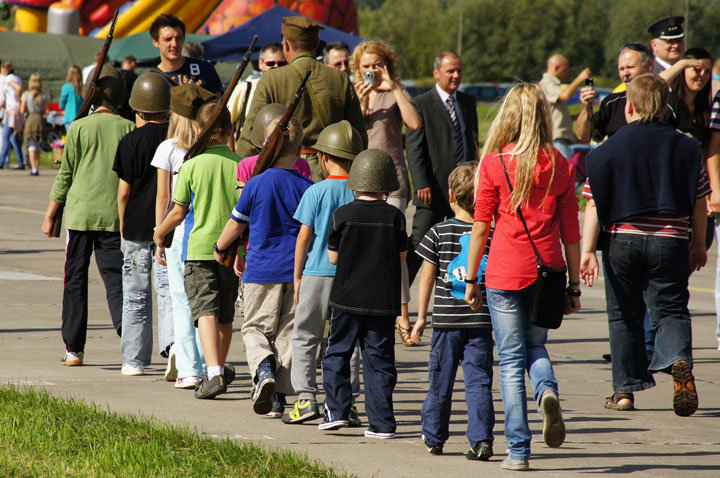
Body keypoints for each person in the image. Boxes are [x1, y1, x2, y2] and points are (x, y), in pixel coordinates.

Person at [464, 84, 581, 471]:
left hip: (503, 273)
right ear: (544, 116)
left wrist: (470, 278)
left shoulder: (495, 163)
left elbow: (480, 227)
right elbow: (571, 231)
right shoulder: (560, 165)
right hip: (547, 272)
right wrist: (574, 284)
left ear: (509, 115)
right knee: (536, 348)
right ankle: (546, 391)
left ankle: (518, 452)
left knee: (511, 361)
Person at [580, 73, 707, 416]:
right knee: (672, 309)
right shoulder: (688, 148)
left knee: (623, 315)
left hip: (622, 239)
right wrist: (699, 243)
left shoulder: (607, 150)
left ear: (629, 107)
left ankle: (624, 392)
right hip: (671, 240)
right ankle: (678, 358)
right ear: (667, 107)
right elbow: (699, 202)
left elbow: (592, 203)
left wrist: (588, 251)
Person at [214, 116, 312, 416]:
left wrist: (219, 248)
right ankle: (280, 397)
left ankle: (263, 368)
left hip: (260, 270)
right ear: (300, 150)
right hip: (296, 273)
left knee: (255, 328)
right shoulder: (307, 186)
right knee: (287, 333)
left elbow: (235, 224)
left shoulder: (255, 184)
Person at [41, 64, 134, 367]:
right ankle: (129, 341)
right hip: (114, 216)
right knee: (116, 280)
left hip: (80, 215)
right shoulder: (128, 127)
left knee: (75, 281)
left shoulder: (78, 127)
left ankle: (73, 349)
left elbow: (65, 175)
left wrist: (51, 212)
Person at [153, 102, 240, 399]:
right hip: (230, 251)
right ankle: (220, 365)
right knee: (226, 313)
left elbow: (178, 213)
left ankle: (213, 372)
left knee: (205, 310)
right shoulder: (241, 165)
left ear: (199, 131)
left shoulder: (190, 165)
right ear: (230, 130)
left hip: (199, 249)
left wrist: (159, 233)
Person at [320, 149, 406, 439]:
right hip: (382, 302)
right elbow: (402, 256)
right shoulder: (395, 217)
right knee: (379, 360)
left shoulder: (343, 214)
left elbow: (333, 258)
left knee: (337, 354)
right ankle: (382, 423)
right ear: (386, 185)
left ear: (354, 182)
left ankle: (337, 411)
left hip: (346, 299)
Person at [412, 161, 495, 461]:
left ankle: (434, 436)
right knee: (479, 382)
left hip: (445, 322)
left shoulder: (438, 231)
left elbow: (427, 277)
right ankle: (482, 439)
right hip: (481, 321)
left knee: (440, 379)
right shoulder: (490, 233)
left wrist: (421, 317)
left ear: (450, 195)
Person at [282, 120, 363, 425]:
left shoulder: (315, 191)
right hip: (350, 277)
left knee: (305, 335)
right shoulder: (359, 192)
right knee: (347, 339)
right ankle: (348, 402)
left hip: (316, 273)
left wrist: (297, 275)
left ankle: (305, 399)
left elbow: (303, 237)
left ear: (325, 158)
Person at [350, 39, 422, 345]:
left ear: (387, 65)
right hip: (361, 179)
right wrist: (360, 102)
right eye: (365, 66)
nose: (371, 71)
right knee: (363, 247)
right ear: (357, 68)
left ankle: (402, 314)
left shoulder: (396, 92)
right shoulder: (354, 92)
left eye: (376, 65)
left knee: (396, 250)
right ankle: (364, 309)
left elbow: (415, 124)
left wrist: (392, 87)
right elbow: (349, 130)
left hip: (393, 178)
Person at [236, 16, 367, 182]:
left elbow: (251, 134)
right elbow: (358, 135)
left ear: (286, 45)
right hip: (332, 172)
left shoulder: (272, 79)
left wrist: (242, 177)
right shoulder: (340, 78)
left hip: (285, 172)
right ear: (317, 42)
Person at [153, 83, 216, 390]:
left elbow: (163, 199)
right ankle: (208, 365)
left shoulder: (168, 149)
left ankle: (189, 370)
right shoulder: (212, 148)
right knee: (208, 305)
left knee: (181, 301)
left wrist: (159, 236)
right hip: (213, 229)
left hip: (182, 233)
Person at [112, 72, 172, 377]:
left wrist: (123, 230)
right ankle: (173, 349)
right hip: (168, 227)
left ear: (138, 109)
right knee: (167, 291)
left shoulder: (129, 141)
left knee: (136, 293)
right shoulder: (177, 140)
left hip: (135, 228)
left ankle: (134, 360)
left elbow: (123, 193)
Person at [406, 52, 478, 283]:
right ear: (436, 73)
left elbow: (472, 141)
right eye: (450, 71)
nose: (456, 75)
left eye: (459, 71)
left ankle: (458, 292)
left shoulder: (467, 102)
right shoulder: (421, 104)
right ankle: (399, 297)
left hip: (465, 191)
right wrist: (421, 183)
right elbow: (414, 148)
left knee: (463, 243)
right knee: (419, 243)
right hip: (433, 190)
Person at [577, 43, 696, 142]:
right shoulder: (612, 103)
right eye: (621, 69)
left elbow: (691, 141)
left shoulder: (670, 102)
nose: (625, 73)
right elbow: (584, 136)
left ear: (649, 65)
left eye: (630, 67)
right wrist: (587, 107)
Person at [235, 103, 312, 185]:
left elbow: (243, 195)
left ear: (265, 144)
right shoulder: (302, 165)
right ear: (299, 150)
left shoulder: (246, 165)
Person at [151, 13, 223, 94]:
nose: (174, 44)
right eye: (168, 39)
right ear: (155, 42)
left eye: (178, 38)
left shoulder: (204, 68)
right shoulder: (152, 80)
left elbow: (219, 102)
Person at [228, 42, 286, 139]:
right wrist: (233, 148)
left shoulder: (291, 90)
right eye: (271, 63)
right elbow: (224, 124)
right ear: (260, 64)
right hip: (246, 151)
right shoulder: (245, 89)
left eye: (281, 64)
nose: (276, 67)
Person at [538, 54, 591, 161]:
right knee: (565, 173)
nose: (567, 73)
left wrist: (575, 117)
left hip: (562, 140)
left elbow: (554, 116)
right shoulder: (547, 83)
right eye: (565, 70)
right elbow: (564, 95)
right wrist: (580, 78)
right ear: (556, 68)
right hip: (557, 140)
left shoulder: (552, 85)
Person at [20, 73, 47, 176]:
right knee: (37, 144)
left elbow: (22, 110)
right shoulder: (43, 95)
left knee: (31, 144)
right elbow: (47, 111)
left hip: (30, 119)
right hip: (39, 119)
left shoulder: (26, 95)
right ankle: (36, 166)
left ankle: (34, 168)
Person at [0, 61, 24, 169]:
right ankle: (20, 162)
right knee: (13, 137)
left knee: (5, 136)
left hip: (12, 110)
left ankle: (1, 161)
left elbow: (18, 89)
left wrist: (19, 100)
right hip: (16, 109)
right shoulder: (17, 77)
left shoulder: (8, 79)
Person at [60, 65, 83, 132]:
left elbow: (62, 104)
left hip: (70, 118)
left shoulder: (67, 87)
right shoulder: (83, 87)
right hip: (81, 118)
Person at [117, 55, 138, 122]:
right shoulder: (134, 77)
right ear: (133, 63)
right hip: (129, 111)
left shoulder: (116, 74)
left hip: (116, 110)